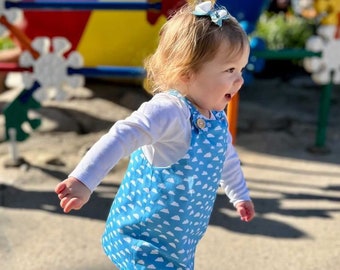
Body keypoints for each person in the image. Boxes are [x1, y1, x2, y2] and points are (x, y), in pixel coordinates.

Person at [55, 1, 255, 269]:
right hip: (144, 239)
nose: (239, 80)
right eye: (230, 70)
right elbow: (121, 136)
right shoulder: (169, 111)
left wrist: (239, 194)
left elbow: (225, 157)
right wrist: (84, 180)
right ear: (186, 74)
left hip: (178, 244)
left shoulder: (215, 116)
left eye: (241, 69)